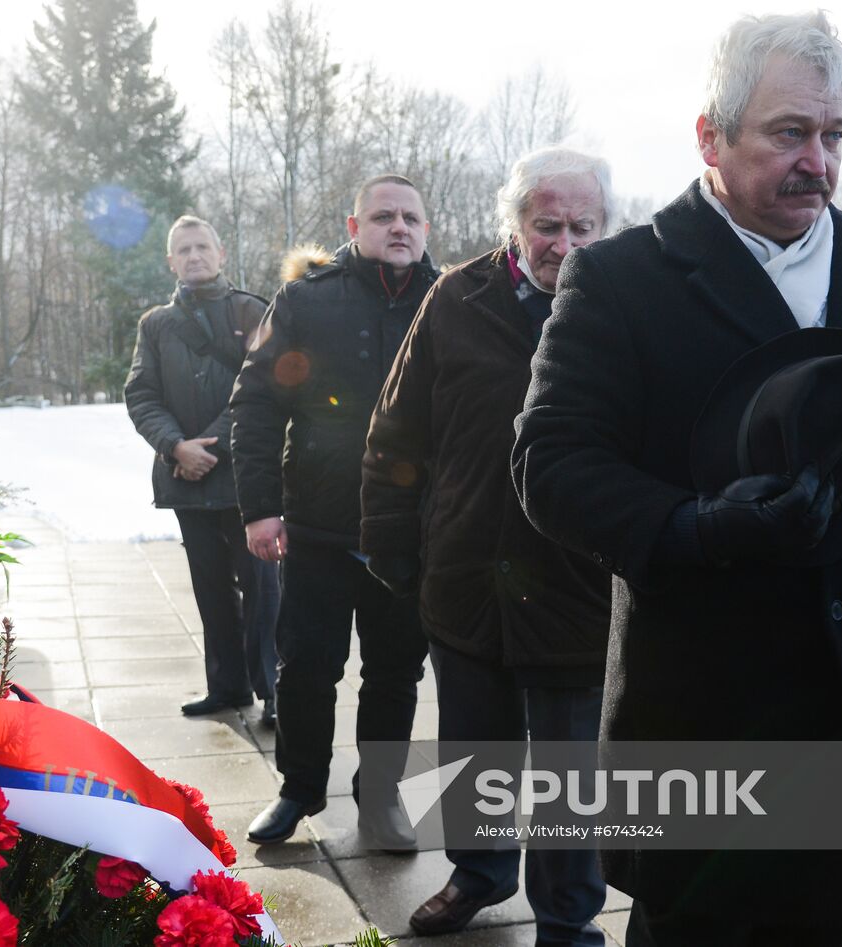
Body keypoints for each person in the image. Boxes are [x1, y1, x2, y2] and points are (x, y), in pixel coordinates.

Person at [511, 12, 842, 946]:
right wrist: (697, 525)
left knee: (821, 925)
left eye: (834, 135)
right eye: (789, 133)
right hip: (703, 704)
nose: (818, 162)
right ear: (711, 135)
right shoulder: (622, 279)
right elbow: (550, 462)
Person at [361, 148, 613, 943]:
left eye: (582, 227)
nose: (564, 244)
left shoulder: (628, 304)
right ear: (514, 224)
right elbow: (395, 428)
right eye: (547, 225)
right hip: (467, 569)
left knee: (572, 770)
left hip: (579, 583)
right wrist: (392, 543)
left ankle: (568, 917)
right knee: (474, 748)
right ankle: (479, 873)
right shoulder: (455, 297)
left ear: (603, 228)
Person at [231, 175, 438, 847]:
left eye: (411, 217)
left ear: (426, 229)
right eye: (383, 216)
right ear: (354, 227)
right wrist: (260, 509)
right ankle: (299, 788)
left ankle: (379, 799)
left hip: (408, 534)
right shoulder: (305, 302)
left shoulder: (449, 302)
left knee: (394, 674)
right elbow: (256, 407)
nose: (399, 227)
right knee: (306, 667)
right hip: (317, 528)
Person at [124, 216, 279, 727]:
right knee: (210, 589)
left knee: (264, 591)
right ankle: (228, 686)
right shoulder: (155, 324)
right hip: (185, 479)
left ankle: (275, 691)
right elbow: (141, 394)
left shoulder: (251, 310)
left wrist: (207, 446)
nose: (194, 256)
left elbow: (265, 389)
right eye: (183, 250)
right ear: (171, 261)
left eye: (202, 247)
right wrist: (176, 447)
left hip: (246, 479)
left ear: (221, 252)